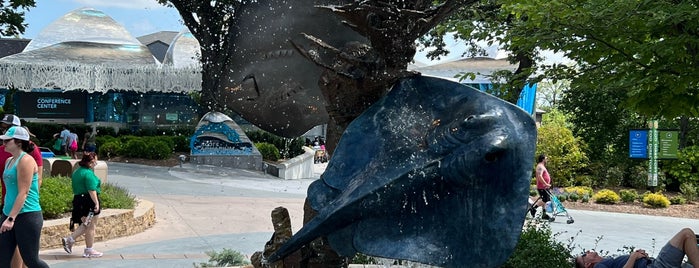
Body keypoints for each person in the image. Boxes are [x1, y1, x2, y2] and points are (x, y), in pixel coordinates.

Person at [0, 126, 50, 268]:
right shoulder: (9, 160)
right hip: (8, 214)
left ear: (19, 143)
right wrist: (7, 215)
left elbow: (23, 192)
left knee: (31, 260)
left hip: (27, 216)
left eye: (7, 141)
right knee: (2, 260)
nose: (3, 144)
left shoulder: (26, 161)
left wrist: (11, 219)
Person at [575, 228, 699, 268]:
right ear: (587, 264)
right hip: (655, 266)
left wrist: (640, 256)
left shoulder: (605, 262)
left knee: (689, 239)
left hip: (653, 263)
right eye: (584, 255)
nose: (587, 251)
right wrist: (634, 256)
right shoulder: (598, 267)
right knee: (686, 234)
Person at [61, 152, 104, 258]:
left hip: (79, 200)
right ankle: (87, 249)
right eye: (95, 161)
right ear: (90, 162)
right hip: (88, 201)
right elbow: (91, 190)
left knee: (86, 224)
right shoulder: (88, 174)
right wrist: (96, 203)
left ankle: (71, 240)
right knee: (91, 225)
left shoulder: (77, 172)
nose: (96, 163)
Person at [529, 154, 552, 220]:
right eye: (546, 158)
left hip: (544, 187)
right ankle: (534, 208)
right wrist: (545, 184)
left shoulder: (542, 166)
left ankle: (544, 214)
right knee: (545, 200)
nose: (547, 160)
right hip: (542, 187)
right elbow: (539, 176)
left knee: (546, 200)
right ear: (543, 159)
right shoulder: (540, 166)